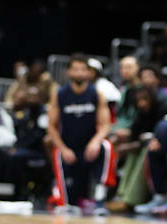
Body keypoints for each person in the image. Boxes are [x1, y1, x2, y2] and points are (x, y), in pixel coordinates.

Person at [46, 56, 115, 216]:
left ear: (88, 72)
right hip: (69, 147)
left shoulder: (96, 94)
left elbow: (105, 125)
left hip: (90, 147)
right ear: (69, 71)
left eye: (83, 69)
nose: (79, 73)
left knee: (106, 146)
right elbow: (51, 126)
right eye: (75, 69)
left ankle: (99, 200)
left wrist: (95, 142)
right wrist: (63, 148)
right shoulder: (60, 94)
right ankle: (65, 200)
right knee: (56, 152)